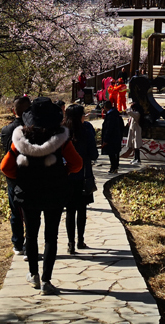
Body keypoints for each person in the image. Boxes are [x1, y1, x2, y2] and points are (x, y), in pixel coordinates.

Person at [12, 98, 82, 295]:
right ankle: (46, 281)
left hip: (28, 193)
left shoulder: (20, 139)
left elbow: (5, 167)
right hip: (55, 191)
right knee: (51, 236)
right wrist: (63, 171)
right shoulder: (61, 140)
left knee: (32, 234)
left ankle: (33, 274)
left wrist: (22, 175)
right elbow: (77, 164)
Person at [63, 104, 99, 254]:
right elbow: (94, 154)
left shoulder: (62, 132)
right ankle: (80, 240)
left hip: (66, 176)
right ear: (80, 116)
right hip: (83, 175)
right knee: (82, 209)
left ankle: (70, 242)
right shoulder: (86, 131)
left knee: (70, 210)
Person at [1, 94, 31, 256]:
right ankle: (29, 242)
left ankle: (17, 243)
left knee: (15, 211)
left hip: (12, 175)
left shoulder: (6, 130)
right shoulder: (32, 129)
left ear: (14, 111)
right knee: (30, 212)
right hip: (29, 175)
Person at [101, 102, 124, 173]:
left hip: (111, 138)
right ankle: (115, 167)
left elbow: (108, 128)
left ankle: (113, 167)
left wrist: (105, 139)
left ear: (105, 107)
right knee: (116, 153)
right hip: (117, 136)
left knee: (112, 153)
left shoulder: (110, 116)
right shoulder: (117, 114)